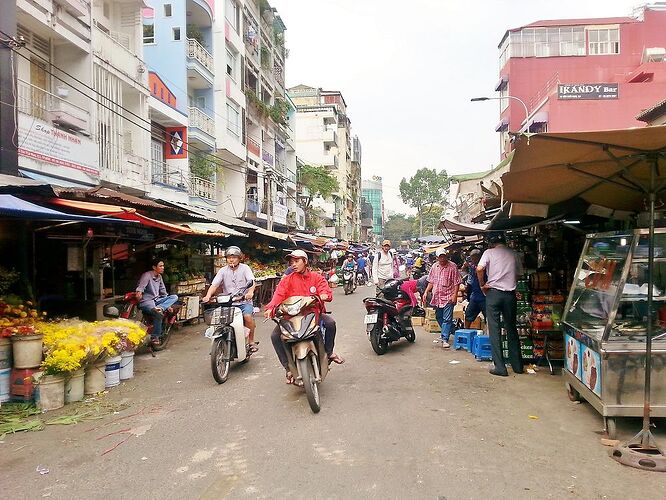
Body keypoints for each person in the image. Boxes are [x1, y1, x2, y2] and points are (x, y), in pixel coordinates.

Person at [263, 249, 344, 384]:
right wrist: (270, 308)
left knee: (330, 324)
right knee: (275, 336)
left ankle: (329, 352)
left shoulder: (316, 277)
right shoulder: (287, 280)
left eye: (296, 261)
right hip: (291, 317)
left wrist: (323, 295)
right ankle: (288, 368)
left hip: (313, 315)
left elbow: (325, 290)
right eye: (291, 262)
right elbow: (278, 295)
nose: (293, 264)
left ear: (305, 262)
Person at [477, 234, 524, 377]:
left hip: (494, 294)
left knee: (495, 329)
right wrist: (511, 282)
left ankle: (500, 367)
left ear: (492, 243)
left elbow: (479, 269)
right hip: (509, 295)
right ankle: (517, 366)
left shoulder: (489, 253)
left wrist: (482, 285)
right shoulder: (514, 253)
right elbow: (519, 273)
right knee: (511, 328)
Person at [201, 246, 258, 352]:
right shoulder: (222, 270)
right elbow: (214, 285)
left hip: (244, 301)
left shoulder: (245, 268)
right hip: (228, 303)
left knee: (248, 317)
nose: (231, 259)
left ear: (239, 258)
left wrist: (250, 292)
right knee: (218, 320)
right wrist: (208, 296)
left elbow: (252, 281)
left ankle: (251, 342)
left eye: (234, 257)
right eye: (229, 257)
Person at [422, 248, 461, 348]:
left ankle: (444, 338)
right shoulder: (435, 266)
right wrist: (426, 292)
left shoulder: (452, 267)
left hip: (448, 296)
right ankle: (452, 330)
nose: (442, 258)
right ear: (437, 258)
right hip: (437, 297)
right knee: (438, 316)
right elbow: (431, 281)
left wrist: (455, 295)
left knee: (447, 318)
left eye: (444, 256)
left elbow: (457, 282)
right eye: (440, 257)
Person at [136, 259, 179, 344]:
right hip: (147, 301)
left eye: (163, 266)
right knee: (158, 314)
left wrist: (168, 306)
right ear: (154, 267)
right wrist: (139, 294)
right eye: (160, 266)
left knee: (174, 297)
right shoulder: (147, 275)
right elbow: (140, 288)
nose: (163, 268)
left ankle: (160, 308)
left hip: (157, 301)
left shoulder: (159, 277)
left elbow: (163, 293)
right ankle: (155, 337)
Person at [464, 250, 486, 329]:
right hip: (475, 296)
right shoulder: (472, 267)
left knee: (489, 317)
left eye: (474, 258)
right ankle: (466, 331)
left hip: (485, 296)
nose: (472, 260)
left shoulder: (484, 266)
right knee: (468, 315)